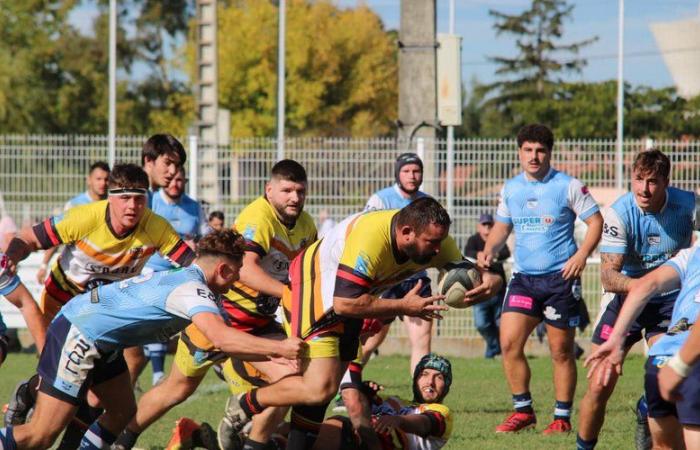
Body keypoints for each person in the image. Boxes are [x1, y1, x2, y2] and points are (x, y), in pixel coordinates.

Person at [218, 197, 503, 450]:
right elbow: (344, 302)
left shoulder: (433, 239)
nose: (439, 250)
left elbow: (467, 272)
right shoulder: (370, 239)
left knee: (319, 402)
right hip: (315, 290)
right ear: (406, 233)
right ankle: (246, 404)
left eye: (441, 242)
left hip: (352, 301)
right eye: (432, 243)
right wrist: (405, 306)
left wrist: (490, 281)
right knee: (319, 387)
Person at [0, 230, 305, 450]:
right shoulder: (191, 290)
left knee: (122, 412)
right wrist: (280, 346)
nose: (238, 279)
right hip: (80, 332)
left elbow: (230, 341)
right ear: (223, 269)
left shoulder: (192, 281)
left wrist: (275, 356)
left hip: (100, 339)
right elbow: (222, 338)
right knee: (40, 436)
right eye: (236, 272)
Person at [112, 160, 317, 450]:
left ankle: (250, 441)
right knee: (176, 389)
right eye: (287, 190)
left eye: (300, 191)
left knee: (294, 381)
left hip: (257, 327)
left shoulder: (307, 225)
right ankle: (122, 439)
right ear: (269, 190)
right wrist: (289, 295)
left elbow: (305, 275)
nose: (294, 198)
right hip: (217, 321)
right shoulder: (258, 217)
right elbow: (245, 269)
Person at [2, 164, 195, 429]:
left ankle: (48, 410)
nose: (132, 206)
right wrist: (11, 256)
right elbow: (28, 238)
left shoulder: (156, 226)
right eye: (125, 198)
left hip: (104, 314)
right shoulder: (84, 218)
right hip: (61, 306)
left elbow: (192, 264)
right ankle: (30, 397)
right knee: (66, 386)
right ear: (110, 197)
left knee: (113, 388)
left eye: (139, 199)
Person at [478, 123, 603, 434]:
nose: (534, 156)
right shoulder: (511, 189)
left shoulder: (568, 185)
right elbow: (501, 228)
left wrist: (581, 255)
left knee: (560, 351)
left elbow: (596, 222)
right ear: (519, 152)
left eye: (540, 151)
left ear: (549, 153)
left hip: (560, 278)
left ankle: (561, 418)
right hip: (524, 279)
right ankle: (523, 411)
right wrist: (489, 249)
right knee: (508, 343)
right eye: (528, 150)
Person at [577, 150, 696, 450]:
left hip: (670, 304)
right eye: (638, 180)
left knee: (669, 374)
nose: (644, 189)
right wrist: (645, 287)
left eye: (653, 182)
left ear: (666, 182)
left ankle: (649, 408)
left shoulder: (688, 206)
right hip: (626, 299)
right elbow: (608, 277)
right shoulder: (620, 213)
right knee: (599, 384)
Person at [584, 240, 700, 450]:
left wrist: (617, 338)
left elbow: (646, 285)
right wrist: (681, 365)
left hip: (661, 361)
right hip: (690, 363)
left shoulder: (692, 252)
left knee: (664, 446)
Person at [361, 153, 433, 375]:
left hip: (417, 280)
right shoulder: (380, 200)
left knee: (422, 341)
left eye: (416, 171)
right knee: (371, 341)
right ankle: (346, 387)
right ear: (398, 174)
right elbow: (366, 235)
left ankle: (419, 399)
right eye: (406, 171)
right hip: (387, 281)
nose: (412, 176)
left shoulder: (428, 203)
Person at [143, 166, 209, 386]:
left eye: (180, 180)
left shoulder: (193, 207)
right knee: (154, 322)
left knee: (182, 323)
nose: (175, 184)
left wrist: (197, 244)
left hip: (182, 273)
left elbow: (205, 234)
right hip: (153, 270)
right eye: (171, 179)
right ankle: (157, 374)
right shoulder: (152, 201)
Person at [315, 353, 453, 450]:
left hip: (360, 441)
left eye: (439, 377)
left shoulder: (443, 413)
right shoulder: (394, 400)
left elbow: (424, 423)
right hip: (352, 433)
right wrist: (366, 392)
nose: (430, 382)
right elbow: (361, 411)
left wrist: (398, 420)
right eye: (424, 374)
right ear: (416, 379)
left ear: (446, 386)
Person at [36, 161, 110, 283]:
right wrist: (44, 265)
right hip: (76, 273)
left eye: (106, 179)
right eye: (98, 179)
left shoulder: (113, 205)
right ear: (89, 180)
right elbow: (57, 234)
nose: (102, 183)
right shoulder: (75, 205)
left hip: (105, 271)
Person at [463, 213, 510, 359]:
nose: (487, 227)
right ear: (479, 226)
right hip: (480, 291)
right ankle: (494, 346)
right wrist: (479, 254)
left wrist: (491, 255)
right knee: (481, 324)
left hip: (498, 290)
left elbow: (505, 252)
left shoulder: (497, 240)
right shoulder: (473, 240)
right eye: (484, 224)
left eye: (490, 224)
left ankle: (492, 352)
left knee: (501, 324)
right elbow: (467, 252)